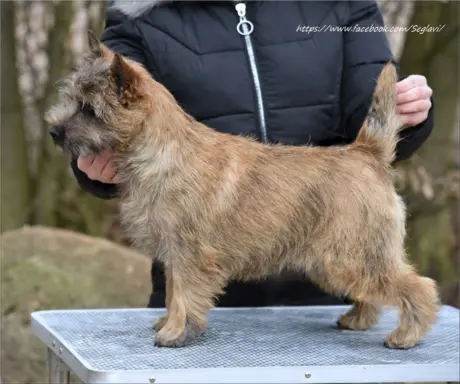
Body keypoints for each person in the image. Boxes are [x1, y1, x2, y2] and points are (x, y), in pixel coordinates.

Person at [71, 0, 434, 308]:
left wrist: (407, 113)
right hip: (193, 288)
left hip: (324, 289)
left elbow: (371, 119)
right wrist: (95, 163)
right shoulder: (139, 13)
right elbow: (106, 112)